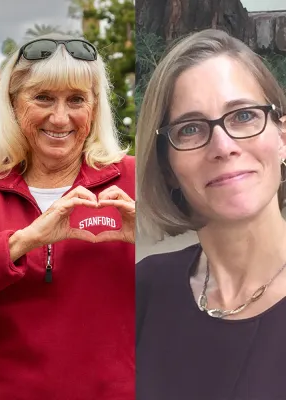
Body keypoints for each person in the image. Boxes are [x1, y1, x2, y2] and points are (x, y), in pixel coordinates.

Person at [136, 29, 286, 399]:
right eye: (190, 129)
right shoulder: (144, 289)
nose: (223, 146)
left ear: (282, 137)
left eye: (244, 115)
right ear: (168, 166)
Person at [0, 35, 136, 399]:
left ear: (95, 106)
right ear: (12, 103)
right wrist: (26, 240)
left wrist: (150, 241)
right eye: (43, 98)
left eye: (76, 100)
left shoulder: (137, 179)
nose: (59, 117)